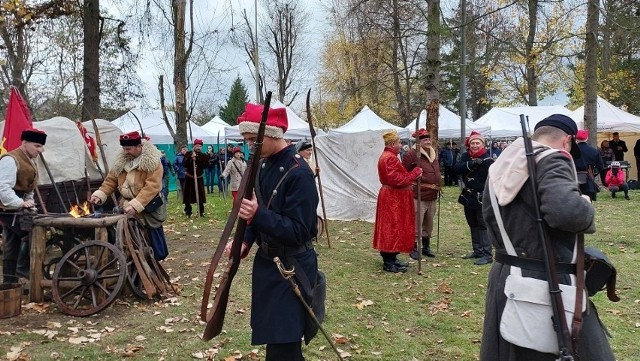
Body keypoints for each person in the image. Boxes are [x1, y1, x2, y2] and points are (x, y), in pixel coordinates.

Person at [479, 114, 615, 360]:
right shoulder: (552, 160)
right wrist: (584, 204)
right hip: (547, 277)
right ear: (567, 141)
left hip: (506, 275)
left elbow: (489, 215)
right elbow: (568, 214)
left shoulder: (503, 163)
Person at [229, 102, 320, 360]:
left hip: (292, 267)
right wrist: (245, 241)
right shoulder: (263, 165)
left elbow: (300, 231)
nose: (249, 147)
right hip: (268, 265)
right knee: (276, 341)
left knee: (284, 346)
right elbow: (260, 212)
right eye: (246, 141)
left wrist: (258, 215)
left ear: (270, 134)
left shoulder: (298, 172)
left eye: (252, 140)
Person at [90, 131, 169, 261]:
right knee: (129, 240)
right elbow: (111, 181)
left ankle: (152, 263)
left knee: (152, 242)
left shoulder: (153, 162)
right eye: (124, 148)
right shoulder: (121, 162)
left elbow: (152, 187)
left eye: (128, 149)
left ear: (139, 147)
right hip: (126, 206)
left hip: (148, 206)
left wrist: (136, 204)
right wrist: (101, 194)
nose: (125, 152)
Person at [0, 128, 46, 283]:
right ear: (24, 143)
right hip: (7, 208)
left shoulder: (30, 160)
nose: (40, 150)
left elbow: (28, 187)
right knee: (31, 232)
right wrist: (20, 203)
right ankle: (21, 267)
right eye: (37, 146)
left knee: (12, 244)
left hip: (17, 207)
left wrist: (29, 201)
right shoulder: (10, 160)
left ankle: (9, 282)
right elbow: (3, 188)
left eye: (41, 146)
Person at [372, 130, 422, 273]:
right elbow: (396, 179)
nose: (401, 145)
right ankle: (388, 261)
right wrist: (414, 174)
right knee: (391, 227)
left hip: (394, 197)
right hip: (393, 198)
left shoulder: (389, 156)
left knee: (394, 226)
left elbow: (398, 176)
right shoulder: (390, 158)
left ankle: (392, 257)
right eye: (399, 143)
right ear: (393, 143)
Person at [454, 131, 494, 266]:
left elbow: (493, 179)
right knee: (473, 224)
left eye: (477, 143)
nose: (475, 145)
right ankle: (477, 250)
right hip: (468, 196)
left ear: (482, 144)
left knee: (483, 225)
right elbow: (456, 168)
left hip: (482, 196)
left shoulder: (488, 160)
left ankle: (487, 254)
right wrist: (470, 164)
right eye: (472, 143)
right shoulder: (466, 156)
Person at [402, 128, 440, 259]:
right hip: (418, 194)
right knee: (417, 222)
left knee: (428, 223)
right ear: (418, 142)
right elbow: (404, 173)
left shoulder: (433, 153)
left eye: (429, 139)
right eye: (425, 139)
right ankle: (413, 247)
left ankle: (426, 247)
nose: (428, 141)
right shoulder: (411, 154)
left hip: (432, 194)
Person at [575, 130, 604, 201]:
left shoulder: (570, 150)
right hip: (588, 180)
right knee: (588, 202)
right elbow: (600, 166)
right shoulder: (593, 151)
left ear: (576, 138)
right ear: (587, 138)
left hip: (573, 180)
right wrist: (593, 174)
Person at [182, 139, 209, 217]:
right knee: (188, 196)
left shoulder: (203, 155)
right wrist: (191, 158)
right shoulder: (188, 154)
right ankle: (188, 212)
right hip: (189, 178)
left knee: (200, 196)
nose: (198, 147)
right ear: (194, 146)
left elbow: (206, 165)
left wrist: (197, 158)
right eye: (197, 146)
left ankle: (201, 212)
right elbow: (184, 164)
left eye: (200, 146)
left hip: (199, 178)